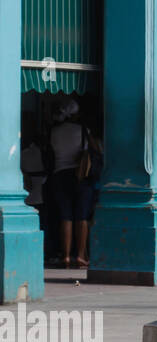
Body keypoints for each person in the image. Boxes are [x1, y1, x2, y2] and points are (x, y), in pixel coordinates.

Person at [46, 101, 95, 268]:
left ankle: (66, 256)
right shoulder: (82, 130)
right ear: (75, 114)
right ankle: (80, 255)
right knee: (82, 216)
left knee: (65, 216)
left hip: (59, 175)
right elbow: (93, 150)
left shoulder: (54, 131)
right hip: (80, 175)